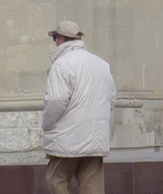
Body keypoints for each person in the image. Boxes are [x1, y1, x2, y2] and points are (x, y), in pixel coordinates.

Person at [42, 20, 117, 194]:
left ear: (60, 39)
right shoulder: (101, 64)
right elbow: (111, 98)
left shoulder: (62, 64)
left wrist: (48, 124)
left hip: (69, 137)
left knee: (56, 179)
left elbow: (56, 100)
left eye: (54, 38)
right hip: (95, 135)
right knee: (92, 184)